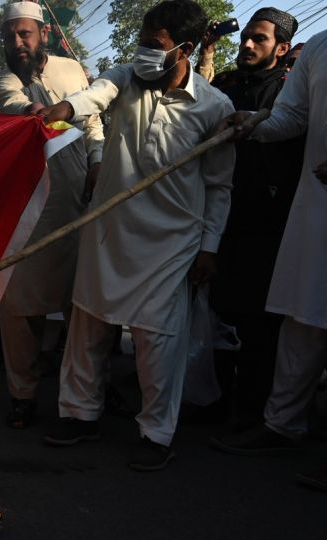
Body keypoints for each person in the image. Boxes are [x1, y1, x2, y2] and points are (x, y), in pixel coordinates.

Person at [35, 0, 235, 471]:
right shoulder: (125, 77)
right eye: (143, 41)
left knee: (157, 340)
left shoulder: (214, 106)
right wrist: (61, 108)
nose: (144, 51)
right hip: (108, 228)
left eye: (155, 45)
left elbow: (219, 187)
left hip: (171, 242)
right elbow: (92, 98)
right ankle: (79, 415)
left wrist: (210, 248)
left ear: (185, 49)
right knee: (87, 326)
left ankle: (155, 433)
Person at [208, 30, 327, 482]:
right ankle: (281, 426)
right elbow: (291, 117)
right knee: (304, 319)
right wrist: (254, 123)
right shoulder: (319, 47)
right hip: (316, 208)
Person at [0, 0, 104, 430]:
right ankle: (23, 394)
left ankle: (83, 397)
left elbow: (92, 123)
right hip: (29, 208)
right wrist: (39, 109)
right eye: (10, 36)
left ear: (44, 36)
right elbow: (27, 114)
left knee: (84, 308)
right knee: (19, 310)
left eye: (25, 34)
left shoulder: (72, 71)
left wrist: (96, 160)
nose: (18, 43)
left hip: (78, 203)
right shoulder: (4, 84)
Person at [206, 8, 303, 424]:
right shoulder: (224, 84)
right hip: (217, 216)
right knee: (215, 311)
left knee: (258, 321)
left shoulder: (290, 92)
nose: (246, 44)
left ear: (281, 49)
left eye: (258, 39)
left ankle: (249, 411)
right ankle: (211, 397)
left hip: (265, 220)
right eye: (246, 36)